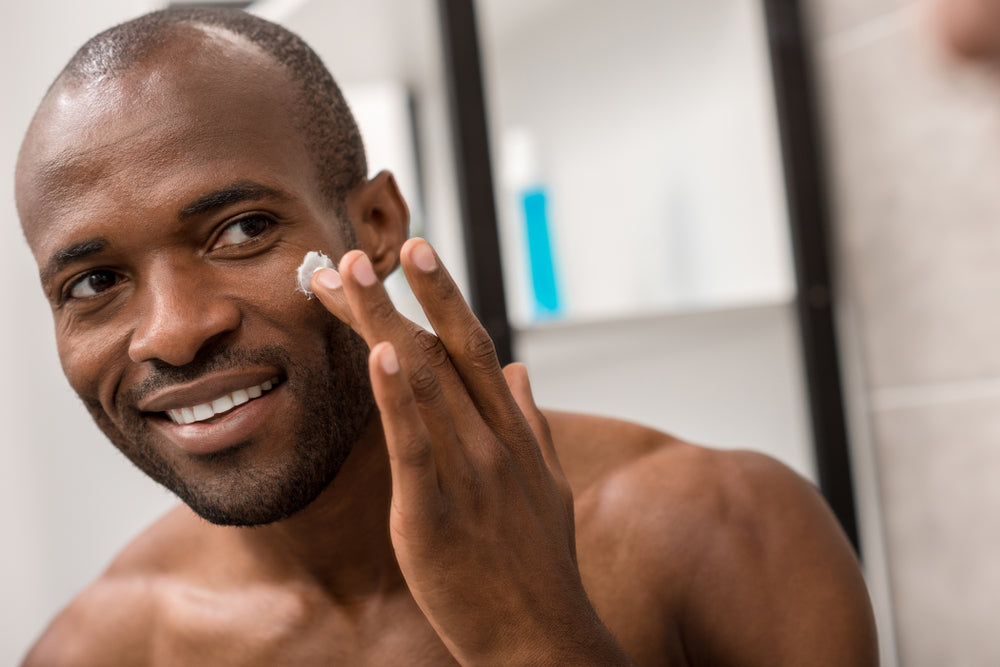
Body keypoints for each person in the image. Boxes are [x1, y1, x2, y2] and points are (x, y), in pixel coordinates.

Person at [15, 7, 878, 665]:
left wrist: (534, 635)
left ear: (379, 225)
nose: (171, 333)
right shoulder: (100, 649)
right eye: (93, 283)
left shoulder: (723, 531)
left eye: (242, 230)